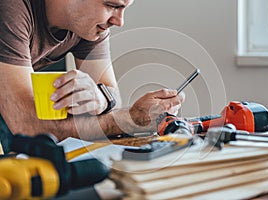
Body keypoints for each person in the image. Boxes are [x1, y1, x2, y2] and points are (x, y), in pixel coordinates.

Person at [0, 0, 185, 153]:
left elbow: (112, 95)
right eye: (112, 6)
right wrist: (128, 121)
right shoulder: (9, 9)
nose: (119, 21)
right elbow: (28, 126)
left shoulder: (88, 26)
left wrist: (101, 98)